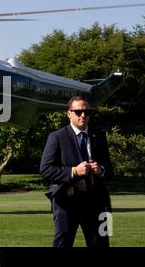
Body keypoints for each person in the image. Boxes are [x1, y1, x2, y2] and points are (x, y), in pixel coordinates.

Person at [40, 95, 113, 248]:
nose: (83, 115)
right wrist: (73, 171)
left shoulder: (99, 136)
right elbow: (45, 170)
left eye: (87, 112)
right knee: (62, 243)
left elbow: (110, 170)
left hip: (98, 202)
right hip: (66, 201)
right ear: (69, 113)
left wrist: (101, 170)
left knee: (103, 243)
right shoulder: (56, 137)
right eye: (79, 112)